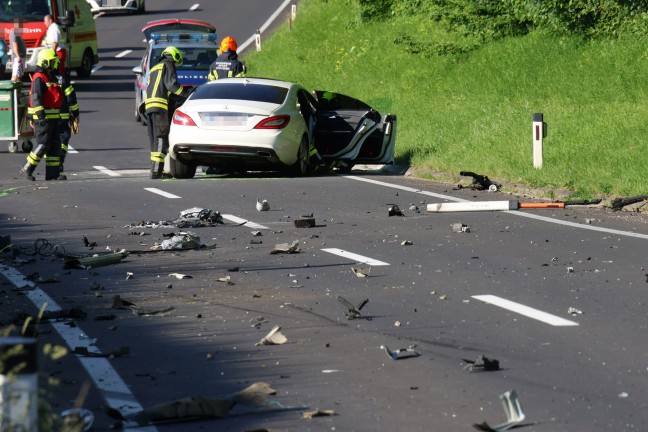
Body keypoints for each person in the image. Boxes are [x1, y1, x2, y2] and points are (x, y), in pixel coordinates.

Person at [144, 46, 188, 179]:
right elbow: (172, 85)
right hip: (160, 107)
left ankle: (154, 170)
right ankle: (157, 172)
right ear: (174, 56)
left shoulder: (154, 68)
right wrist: (185, 94)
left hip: (149, 107)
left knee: (154, 141)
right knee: (161, 138)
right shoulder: (168, 65)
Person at [20, 49, 65, 181]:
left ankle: (52, 174)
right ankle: (27, 168)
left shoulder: (51, 77)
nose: (54, 64)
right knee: (43, 145)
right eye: (52, 62)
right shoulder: (39, 78)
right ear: (45, 63)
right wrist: (39, 116)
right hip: (43, 118)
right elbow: (35, 98)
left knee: (55, 145)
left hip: (54, 117)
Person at [56, 74, 79, 173]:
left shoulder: (39, 78)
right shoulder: (62, 79)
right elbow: (71, 98)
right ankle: (60, 160)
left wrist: (32, 116)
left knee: (47, 141)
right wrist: (75, 114)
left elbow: (35, 97)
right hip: (62, 116)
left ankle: (50, 165)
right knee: (63, 138)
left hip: (46, 117)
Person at [9, 18, 26, 82]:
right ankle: (10, 90)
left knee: (19, 76)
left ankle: (18, 91)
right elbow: (14, 44)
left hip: (20, 57)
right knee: (15, 75)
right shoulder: (15, 32)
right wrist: (18, 56)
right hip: (18, 58)